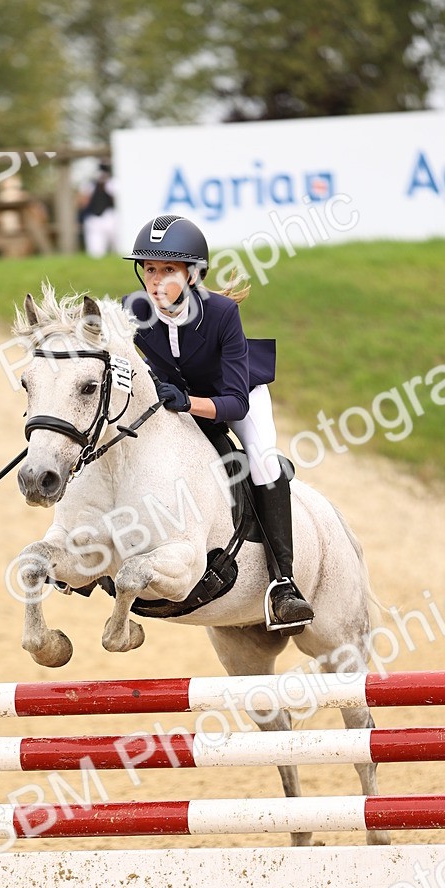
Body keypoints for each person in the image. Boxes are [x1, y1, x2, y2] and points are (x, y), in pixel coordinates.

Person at [123, 213, 314, 630]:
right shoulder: (133, 310)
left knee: (262, 460)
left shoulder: (222, 313)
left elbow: (234, 405)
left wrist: (188, 402)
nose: (155, 282)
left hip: (234, 394)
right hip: (177, 398)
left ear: (192, 275)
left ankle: (283, 584)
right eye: (149, 270)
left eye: (167, 270)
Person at [80, 162, 117, 258]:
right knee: (96, 248)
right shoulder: (90, 186)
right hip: (94, 218)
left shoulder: (112, 184)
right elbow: (84, 201)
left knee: (116, 242)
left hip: (109, 216)